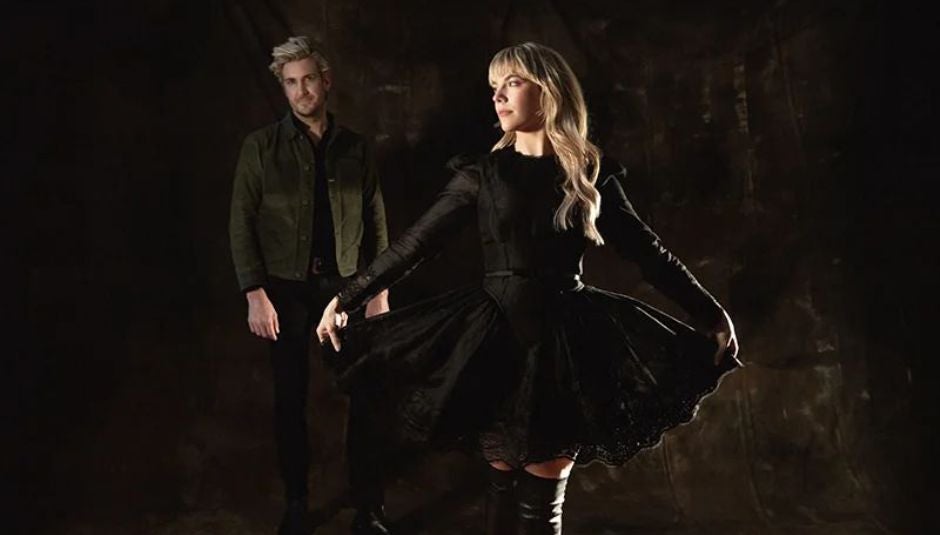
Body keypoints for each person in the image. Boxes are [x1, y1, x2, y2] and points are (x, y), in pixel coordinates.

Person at [315, 42, 742, 535]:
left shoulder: (589, 174)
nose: (498, 96)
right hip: (492, 338)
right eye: (494, 88)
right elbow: (415, 245)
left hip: (563, 345)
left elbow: (650, 254)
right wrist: (345, 298)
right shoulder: (482, 174)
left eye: (512, 83)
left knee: (542, 498)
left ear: (549, 90)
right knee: (500, 487)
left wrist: (712, 314)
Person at [229, 36, 393, 535]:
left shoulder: (356, 148)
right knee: (290, 399)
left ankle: (369, 508)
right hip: (285, 292)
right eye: (291, 83)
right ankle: (297, 504)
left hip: (347, 288)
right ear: (283, 88)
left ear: (326, 81)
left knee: (367, 394)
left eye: (308, 80)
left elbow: (376, 221)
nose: (301, 91)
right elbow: (241, 222)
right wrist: (255, 292)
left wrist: (379, 290)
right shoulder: (261, 147)